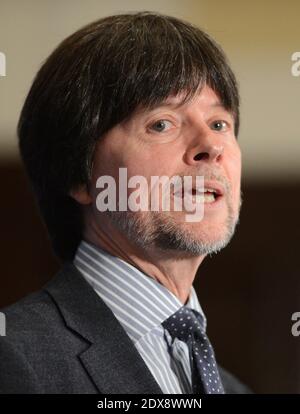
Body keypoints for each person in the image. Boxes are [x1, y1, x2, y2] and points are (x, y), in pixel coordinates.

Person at [0, 11, 250, 394]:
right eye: (162, 124)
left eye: (219, 124)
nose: (212, 146)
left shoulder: (233, 389)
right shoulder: (15, 358)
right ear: (80, 176)